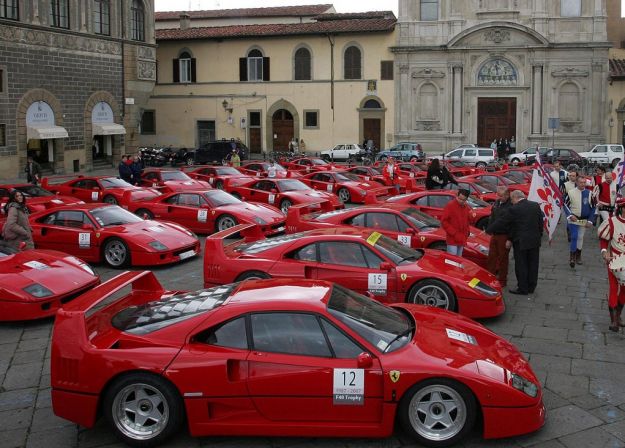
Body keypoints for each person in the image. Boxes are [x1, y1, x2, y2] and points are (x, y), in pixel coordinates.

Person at [487, 190, 543, 295]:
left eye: (512, 199)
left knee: (521, 264)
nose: (511, 202)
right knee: (533, 264)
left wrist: (488, 230)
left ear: (515, 197)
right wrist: (539, 235)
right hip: (534, 241)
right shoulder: (535, 205)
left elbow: (502, 221)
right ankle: (531, 286)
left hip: (521, 241)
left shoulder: (514, 209)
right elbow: (540, 222)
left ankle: (522, 288)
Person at [598, 197, 625, 331]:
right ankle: (614, 320)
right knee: (614, 288)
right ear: (621, 208)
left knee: (624, 290)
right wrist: (604, 252)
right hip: (614, 260)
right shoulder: (612, 222)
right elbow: (604, 239)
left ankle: (618, 315)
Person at [566, 176, 597, 267]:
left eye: (584, 182)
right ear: (577, 182)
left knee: (580, 237)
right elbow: (565, 205)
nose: (582, 184)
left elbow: (593, 207)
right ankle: (572, 257)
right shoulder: (570, 193)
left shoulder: (589, 193)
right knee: (574, 236)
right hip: (574, 218)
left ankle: (578, 255)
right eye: (581, 182)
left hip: (584, 219)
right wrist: (570, 215)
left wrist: (590, 221)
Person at [485, 187, 512, 287]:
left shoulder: (510, 206)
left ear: (507, 195)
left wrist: (509, 239)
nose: (498, 197)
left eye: (501, 196)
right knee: (491, 257)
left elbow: (512, 224)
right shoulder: (496, 203)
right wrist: (489, 229)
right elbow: (492, 217)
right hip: (495, 234)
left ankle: (502, 280)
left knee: (503, 259)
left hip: (504, 235)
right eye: (498, 195)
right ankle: (490, 277)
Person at [441, 189, 471, 256]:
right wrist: (454, 233)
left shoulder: (466, 207)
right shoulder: (450, 205)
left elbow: (467, 221)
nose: (461, 201)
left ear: (466, 199)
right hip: (452, 238)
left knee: (459, 259)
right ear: (457, 196)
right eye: (460, 199)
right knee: (453, 260)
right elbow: (444, 222)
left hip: (462, 238)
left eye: (464, 200)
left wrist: (467, 231)